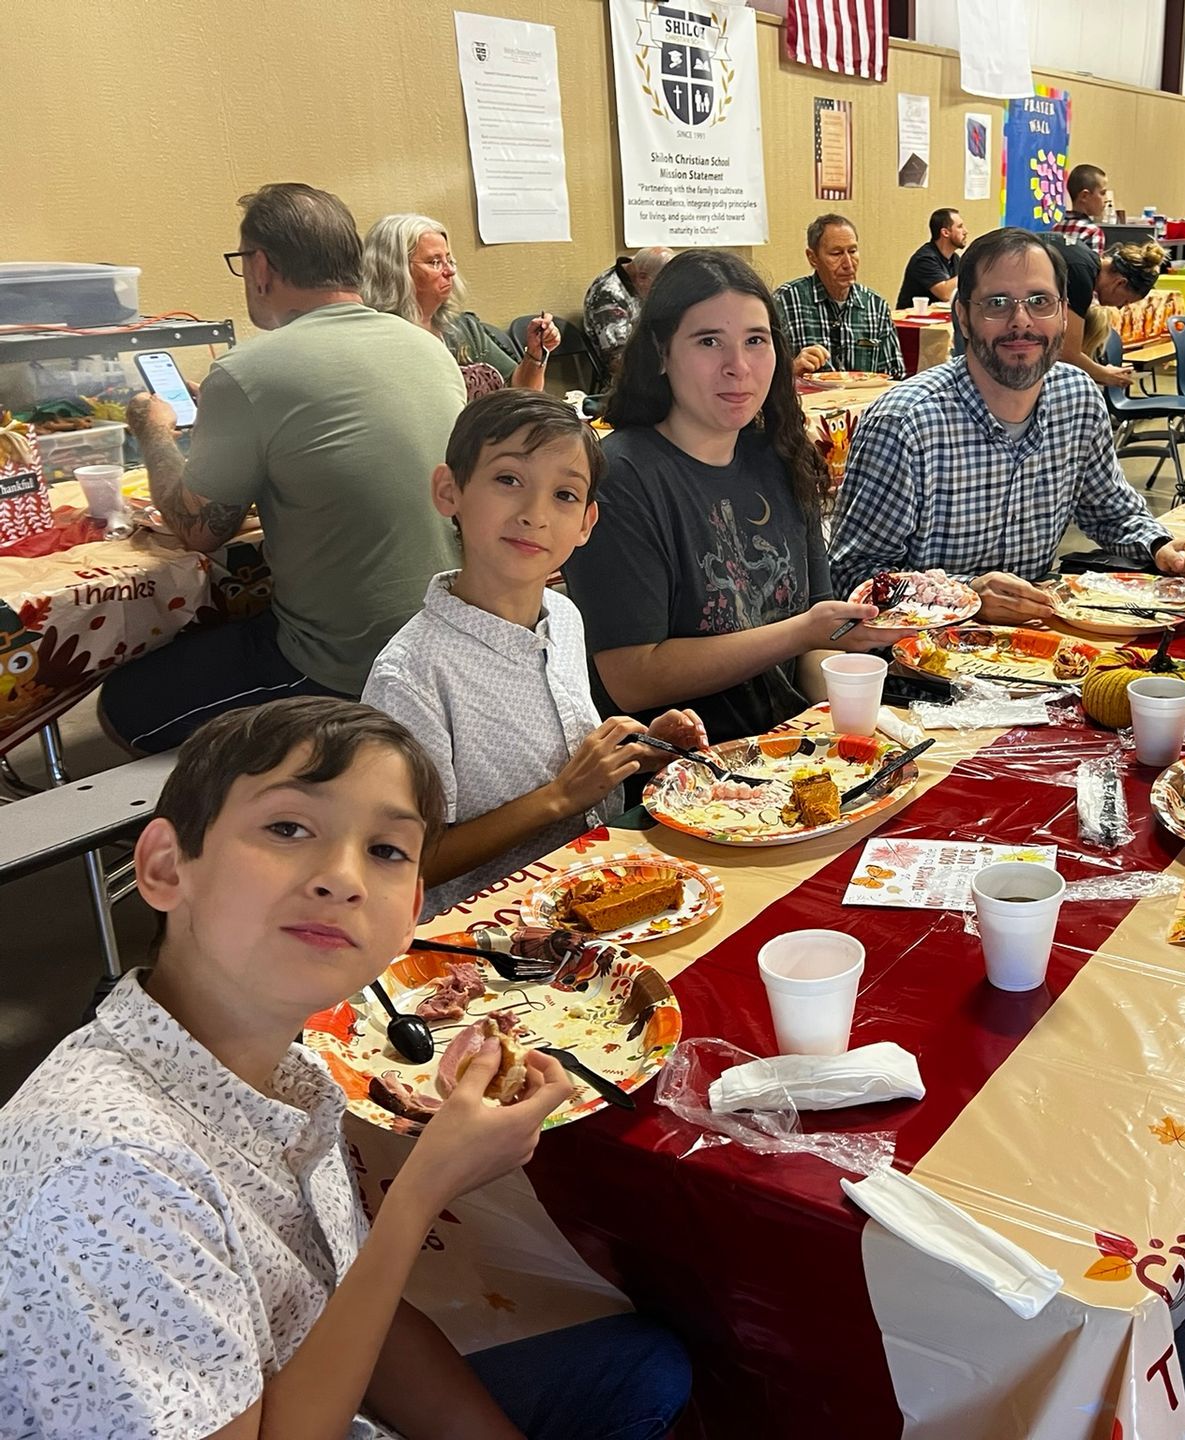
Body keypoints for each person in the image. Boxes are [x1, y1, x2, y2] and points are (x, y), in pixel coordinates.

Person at [0, 697, 693, 1439]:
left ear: (412, 914)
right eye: (288, 828)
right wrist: (421, 1190)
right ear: (167, 867)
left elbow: (354, 1310)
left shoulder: (290, 1070)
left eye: (387, 851)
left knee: (648, 1360)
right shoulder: (107, 1171)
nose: (342, 878)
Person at [100, 184, 465, 755]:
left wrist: (154, 427)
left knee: (125, 704)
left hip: (342, 668)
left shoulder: (250, 370)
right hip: (441, 643)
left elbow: (199, 530)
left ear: (261, 266)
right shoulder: (427, 348)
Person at [362, 389, 706, 917]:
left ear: (587, 523)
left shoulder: (563, 617)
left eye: (564, 496)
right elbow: (403, 859)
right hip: (487, 941)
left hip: (597, 892)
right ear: (448, 491)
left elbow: (569, 759)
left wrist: (636, 753)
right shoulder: (411, 676)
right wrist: (559, 797)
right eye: (508, 481)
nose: (534, 514)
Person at [566, 251, 890, 745]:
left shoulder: (779, 456)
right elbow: (632, 677)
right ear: (660, 350)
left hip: (793, 750)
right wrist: (803, 631)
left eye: (755, 341)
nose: (738, 366)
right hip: (683, 775)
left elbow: (817, 640)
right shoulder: (620, 478)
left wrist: (862, 714)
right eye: (709, 341)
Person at [831, 227, 1185, 624]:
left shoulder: (1078, 399)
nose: (1021, 321)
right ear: (963, 318)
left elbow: (1112, 513)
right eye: (997, 303)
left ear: (1062, 314)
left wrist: (1162, 546)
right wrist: (965, 595)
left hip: (1035, 649)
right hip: (920, 662)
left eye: (1040, 301)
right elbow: (853, 576)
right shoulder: (904, 425)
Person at [361, 214, 557, 401]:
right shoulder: (378, 340)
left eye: (449, 259)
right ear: (394, 270)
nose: (451, 271)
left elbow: (521, 393)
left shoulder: (464, 329)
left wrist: (535, 354)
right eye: (435, 262)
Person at [772, 214, 906, 380]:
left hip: (864, 402)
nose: (848, 264)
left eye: (853, 251)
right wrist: (792, 369)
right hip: (808, 402)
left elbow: (895, 375)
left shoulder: (875, 306)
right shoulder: (786, 301)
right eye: (836, 254)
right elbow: (762, 375)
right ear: (812, 258)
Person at [1036, 230, 1169, 390]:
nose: (1120, 307)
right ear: (1120, 283)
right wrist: (1106, 374)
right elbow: (1068, 353)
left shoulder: (1083, 255)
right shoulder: (1081, 277)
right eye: (1125, 301)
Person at [583, 246, 675, 372]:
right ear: (642, 278)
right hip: (629, 374)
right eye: (661, 286)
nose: (664, 292)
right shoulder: (608, 296)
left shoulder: (638, 277)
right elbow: (618, 359)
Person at [898, 207, 968, 307]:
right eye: (960, 227)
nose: (965, 231)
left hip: (939, 319)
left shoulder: (954, 259)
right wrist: (969, 270)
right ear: (945, 232)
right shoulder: (924, 259)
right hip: (913, 319)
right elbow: (945, 294)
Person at [1053, 164, 1110, 253]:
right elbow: (1094, 266)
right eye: (1102, 193)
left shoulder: (1056, 227)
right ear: (1084, 196)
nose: (1106, 199)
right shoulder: (1092, 232)